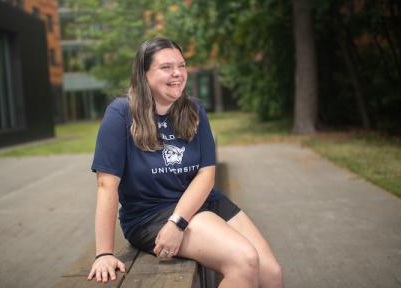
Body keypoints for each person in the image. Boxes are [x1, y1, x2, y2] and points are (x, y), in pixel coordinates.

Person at [87, 37, 283, 287]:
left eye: (182, 65)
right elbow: (106, 185)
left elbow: (206, 175)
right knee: (244, 261)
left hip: (202, 201)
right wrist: (104, 253)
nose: (178, 73)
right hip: (152, 213)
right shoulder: (121, 113)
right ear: (143, 73)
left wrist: (178, 222)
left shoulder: (193, 110)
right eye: (166, 67)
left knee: (272, 274)